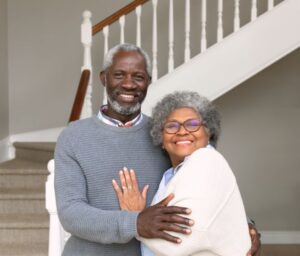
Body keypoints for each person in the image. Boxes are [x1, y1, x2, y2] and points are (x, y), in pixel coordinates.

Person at [54, 43, 261, 256]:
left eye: (138, 77)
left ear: (148, 82)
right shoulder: (73, 137)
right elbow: (71, 213)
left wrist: (244, 227)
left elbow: (208, 187)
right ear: (103, 78)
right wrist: (135, 222)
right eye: (119, 75)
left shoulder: (166, 134)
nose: (128, 84)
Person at [113, 91, 252, 256]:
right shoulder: (171, 175)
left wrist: (136, 218)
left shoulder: (206, 160)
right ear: (161, 138)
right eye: (172, 125)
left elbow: (179, 242)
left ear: (209, 133)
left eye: (192, 124)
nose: (182, 131)